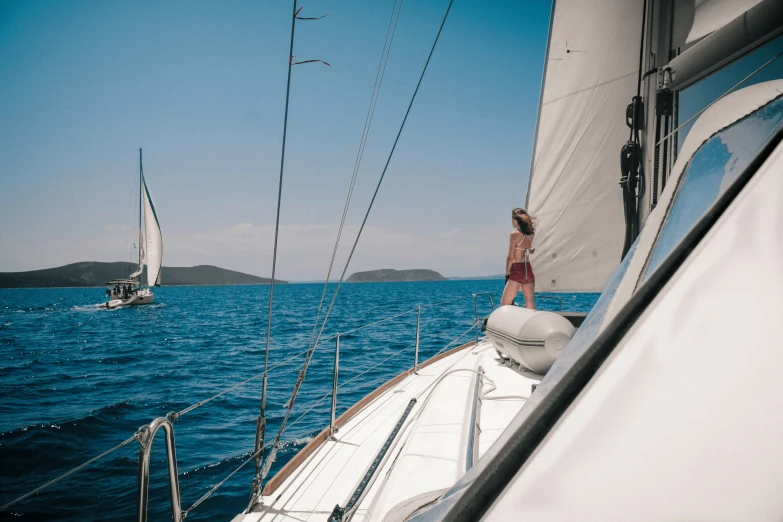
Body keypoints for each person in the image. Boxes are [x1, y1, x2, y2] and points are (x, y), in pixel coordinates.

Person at [501, 208, 536, 308]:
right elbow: (530, 250)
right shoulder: (531, 235)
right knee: (530, 302)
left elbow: (510, 257)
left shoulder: (514, 235)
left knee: (504, 305)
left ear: (515, 220)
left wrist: (507, 274)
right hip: (528, 271)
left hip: (517, 270)